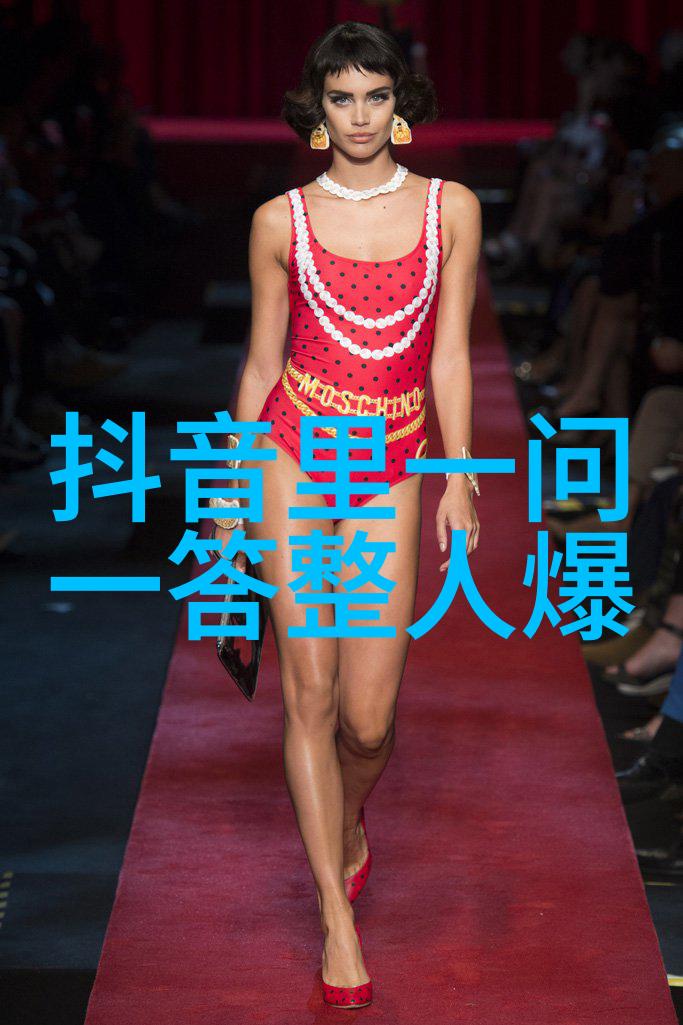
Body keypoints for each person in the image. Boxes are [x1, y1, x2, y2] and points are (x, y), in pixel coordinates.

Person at [212, 21, 481, 1010]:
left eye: (375, 95)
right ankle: (335, 915)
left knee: (368, 722)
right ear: (315, 110)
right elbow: (258, 363)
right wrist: (231, 492)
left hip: (393, 462)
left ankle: (348, 819)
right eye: (340, 98)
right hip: (291, 454)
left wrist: (459, 476)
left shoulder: (450, 209)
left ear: (399, 103)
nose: (359, 116)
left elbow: (449, 353)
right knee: (309, 694)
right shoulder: (278, 221)